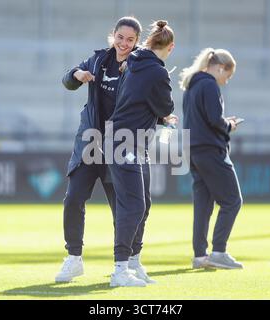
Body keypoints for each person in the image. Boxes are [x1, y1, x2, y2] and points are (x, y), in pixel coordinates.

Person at [55, 17, 143, 283]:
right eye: (120, 37)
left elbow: (151, 97)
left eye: (130, 40)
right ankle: (73, 259)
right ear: (112, 36)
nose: (124, 44)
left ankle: (128, 263)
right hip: (90, 141)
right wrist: (76, 75)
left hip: (119, 145)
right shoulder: (97, 61)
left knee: (122, 208)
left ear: (137, 42)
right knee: (73, 199)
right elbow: (67, 81)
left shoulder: (140, 66)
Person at [106, 20, 177, 287]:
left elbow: (135, 102)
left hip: (129, 140)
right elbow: (165, 104)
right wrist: (165, 114)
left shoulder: (134, 62)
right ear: (170, 47)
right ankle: (120, 269)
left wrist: (160, 119)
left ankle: (133, 263)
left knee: (142, 203)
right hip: (126, 141)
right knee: (134, 205)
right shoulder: (158, 72)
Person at [180, 48, 244, 269]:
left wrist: (222, 122)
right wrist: (230, 125)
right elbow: (214, 120)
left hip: (193, 150)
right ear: (220, 67)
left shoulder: (192, 85)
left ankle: (200, 256)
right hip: (210, 150)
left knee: (203, 204)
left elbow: (201, 119)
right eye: (228, 74)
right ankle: (219, 251)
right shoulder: (209, 84)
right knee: (232, 201)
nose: (227, 81)